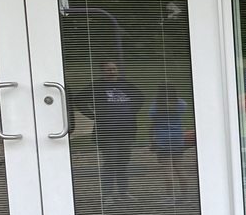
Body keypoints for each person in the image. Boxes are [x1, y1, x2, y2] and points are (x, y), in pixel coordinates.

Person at [75, 60, 144, 204]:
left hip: (127, 130)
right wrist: (93, 115)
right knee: (110, 162)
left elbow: (140, 97)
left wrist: (132, 111)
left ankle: (123, 192)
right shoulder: (97, 86)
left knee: (123, 162)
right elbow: (79, 99)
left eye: (114, 69)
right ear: (102, 71)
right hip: (108, 131)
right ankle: (108, 195)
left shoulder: (124, 84)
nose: (112, 72)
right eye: (109, 69)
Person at [148, 80, 193, 204]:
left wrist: (152, 139)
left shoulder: (156, 106)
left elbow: (152, 124)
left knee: (167, 169)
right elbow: (184, 104)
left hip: (162, 139)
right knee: (179, 167)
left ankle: (169, 197)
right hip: (177, 138)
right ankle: (184, 196)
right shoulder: (180, 104)